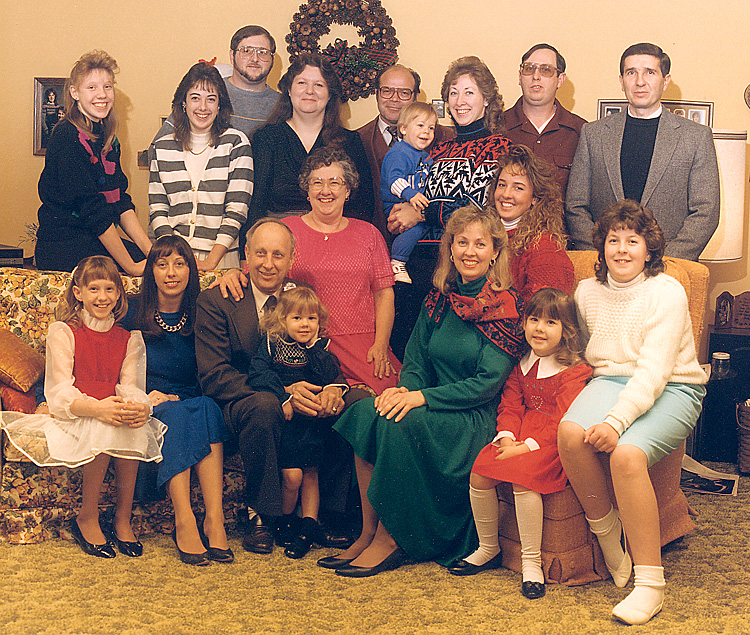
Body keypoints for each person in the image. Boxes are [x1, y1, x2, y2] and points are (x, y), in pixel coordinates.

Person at [321, 206, 525, 577]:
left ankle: (392, 537)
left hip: (472, 416)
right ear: (449, 248)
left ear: (496, 251)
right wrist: (404, 392)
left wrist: (420, 399)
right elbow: (415, 361)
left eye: (480, 244)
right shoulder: (439, 297)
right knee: (369, 410)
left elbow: (487, 384)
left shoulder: (506, 306)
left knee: (400, 423)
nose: (469, 252)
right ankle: (368, 532)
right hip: (428, 402)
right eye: (461, 242)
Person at [557, 201, 707, 625]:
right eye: (613, 240)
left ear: (648, 248)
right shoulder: (586, 291)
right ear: (601, 248)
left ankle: (650, 584)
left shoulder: (667, 291)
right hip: (611, 380)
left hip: (674, 385)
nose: (622, 249)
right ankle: (608, 537)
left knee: (626, 455)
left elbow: (654, 372)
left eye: (633, 241)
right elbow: (587, 357)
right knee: (569, 433)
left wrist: (615, 421)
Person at [195, 218, 356, 555]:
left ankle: (328, 516)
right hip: (244, 399)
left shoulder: (300, 297)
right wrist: (283, 395)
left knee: (353, 403)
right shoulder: (218, 299)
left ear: (291, 260)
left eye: (278, 255)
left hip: (306, 393)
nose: (268, 264)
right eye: (260, 253)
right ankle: (263, 517)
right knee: (265, 406)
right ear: (246, 257)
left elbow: (322, 349)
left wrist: (332, 389)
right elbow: (215, 374)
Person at [1, 256, 165, 558]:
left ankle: (122, 518)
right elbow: (59, 390)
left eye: (109, 289)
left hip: (107, 409)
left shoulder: (127, 339)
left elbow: (130, 385)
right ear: (78, 293)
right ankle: (87, 516)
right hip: (74, 412)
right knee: (103, 423)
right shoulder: (63, 331)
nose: (102, 297)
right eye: (93, 289)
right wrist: (97, 409)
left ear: (118, 294)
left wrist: (139, 407)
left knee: (131, 421)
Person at [449, 288, 591, 601]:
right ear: (523, 323)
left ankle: (531, 562)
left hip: (549, 443)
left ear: (566, 332)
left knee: (523, 481)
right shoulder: (521, 363)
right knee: (480, 472)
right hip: (519, 434)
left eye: (551, 323)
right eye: (533, 319)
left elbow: (561, 421)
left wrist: (524, 447)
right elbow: (510, 405)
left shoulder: (573, 371)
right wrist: (507, 436)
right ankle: (488, 548)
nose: (539, 328)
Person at [386, 56, 511, 358]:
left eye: (469, 92)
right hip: (418, 264)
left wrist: (421, 212)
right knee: (408, 350)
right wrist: (400, 213)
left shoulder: (500, 149)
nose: (460, 100)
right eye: (453, 92)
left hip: (463, 267)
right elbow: (416, 196)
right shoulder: (437, 150)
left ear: (487, 100)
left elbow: (479, 210)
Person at [127, 235, 230, 566]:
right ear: (151, 272)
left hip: (189, 398)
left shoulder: (205, 312)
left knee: (208, 407)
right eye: (161, 264)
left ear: (191, 270)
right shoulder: (130, 311)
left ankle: (215, 520)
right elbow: (89, 350)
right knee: (176, 412)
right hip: (147, 402)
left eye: (179, 263)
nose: (171, 272)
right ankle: (184, 520)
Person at [565, 43, 720, 261]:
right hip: (604, 269)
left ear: (665, 81)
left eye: (650, 72)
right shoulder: (594, 134)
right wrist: (603, 255)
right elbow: (575, 205)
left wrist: (663, 261)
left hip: (667, 271)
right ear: (621, 81)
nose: (640, 81)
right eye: (631, 73)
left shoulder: (695, 137)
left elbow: (706, 212)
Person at [283, 148, 402, 394]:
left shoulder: (369, 234)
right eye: (317, 183)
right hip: (306, 344)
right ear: (307, 190)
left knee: (391, 398)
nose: (325, 191)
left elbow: (384, 294)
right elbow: (260, 275)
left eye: (335, 183)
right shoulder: (287, 230)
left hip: (364, 345)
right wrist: (232, 274)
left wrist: (381, 344)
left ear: (347, 191)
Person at [247, 286, 349, 560]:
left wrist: (316, 348)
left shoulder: (319, 348)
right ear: (282, 320)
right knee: (293, 476)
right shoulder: (272, 344)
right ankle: (284, 521)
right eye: (297, 318)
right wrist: (283, 396)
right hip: (289, 420)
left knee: (311, 473)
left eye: (311, 318)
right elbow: (258, 373)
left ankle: (309, 526)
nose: (305, 324)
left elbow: (333, 376)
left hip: (313, 421)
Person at [35, 51, 151, 275]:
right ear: (74, 93)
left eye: (108, 86)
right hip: (63, 246)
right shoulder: (66, 136)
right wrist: (131, 266)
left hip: (93, 240)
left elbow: (120, 202)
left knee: (157, 267)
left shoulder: (108, 138)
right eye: (92, 87)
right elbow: (92, 210)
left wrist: (151, 253)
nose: (102, 94)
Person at [245, 53, 374, 236]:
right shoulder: (265, 139)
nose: (309, 91)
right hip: (277, 242)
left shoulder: (350, 143)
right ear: (289, 90)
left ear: (330, 94)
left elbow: (363, 206)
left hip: (335, 240)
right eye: (302, 83)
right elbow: (255, 204)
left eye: (319, 85)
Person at [149, 62, 253, 271]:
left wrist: (210, 262)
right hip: (172, 260)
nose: (203, 107)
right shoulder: (162, 146)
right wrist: (175, 256)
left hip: (222, 259)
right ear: (184, 103)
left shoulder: (236, 143)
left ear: (220, 105)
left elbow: (237, 209)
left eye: (211, 99)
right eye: (195, 98)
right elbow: (158, 208)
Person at [357, 64, 456, 240]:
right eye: (387, 90)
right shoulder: (357, 139)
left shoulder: (445, 138)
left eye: (404, 92)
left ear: (415, 97)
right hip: (373, 243)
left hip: (428, 246)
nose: (394, 99)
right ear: (377, 94)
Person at [153, 25, 279, 142]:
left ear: (272, 58)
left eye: (263, 52)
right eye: (246, 51)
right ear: (232, 55)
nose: (255, 58)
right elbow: (158, 150)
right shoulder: (207, 92)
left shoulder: (283, 104)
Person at [489, 144, 574, 301]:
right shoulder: (484, 233)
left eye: (518, 188)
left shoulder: (545, 247)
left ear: (535, 198)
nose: (506, 194)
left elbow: (544, 313)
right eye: (502, 185)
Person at [503, 44, 586, 198]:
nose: (536, 76)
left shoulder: (581, 131)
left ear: (560, 80)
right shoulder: (497, 126)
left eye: (546, 70)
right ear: (520, 77)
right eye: (529, 69)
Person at [380, 102, 437, 283]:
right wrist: (410, 194)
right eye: (420, 125)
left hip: (416, 205)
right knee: (416, 228)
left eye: (431, 127)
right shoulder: (399, 153)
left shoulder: (424, 156)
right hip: (395, 205)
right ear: (403, 129)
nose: (426, 131)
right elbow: (394, 181)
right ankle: (397, 261)